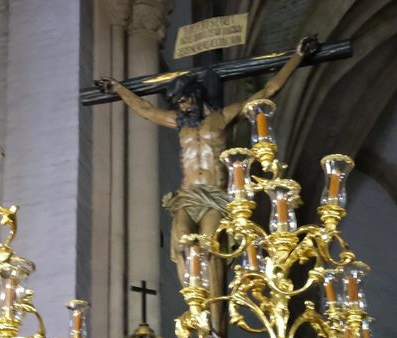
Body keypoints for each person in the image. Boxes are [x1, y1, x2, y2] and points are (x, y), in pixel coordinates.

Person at [99, 37, 315, 290]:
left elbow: (268, 91)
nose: (181, 106)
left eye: (183, 100)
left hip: (214, 194)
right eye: (177, 103)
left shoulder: (222, 117)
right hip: (188, 195)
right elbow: (145, 110)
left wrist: (298, 56)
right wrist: (118, 89)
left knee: (209, 245)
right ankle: (194, 301)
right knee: (183, 242)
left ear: (195, 94)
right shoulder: (179, 122)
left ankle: (213, 308)